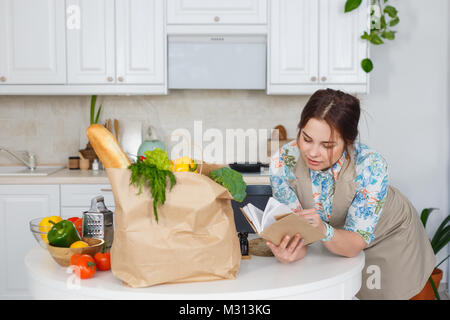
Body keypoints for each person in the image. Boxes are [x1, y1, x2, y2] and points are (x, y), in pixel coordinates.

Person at [268, 88, 436, 300]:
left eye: (327, 145)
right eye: (306, 138)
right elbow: (300, 237)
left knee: (401, 293)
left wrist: (323, 230)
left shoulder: (370, 166)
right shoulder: (283, 163)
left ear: (348, 142)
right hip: (337, 239)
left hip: (390, 237)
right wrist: (289, 252)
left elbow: (354, 245)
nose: (312, 152)